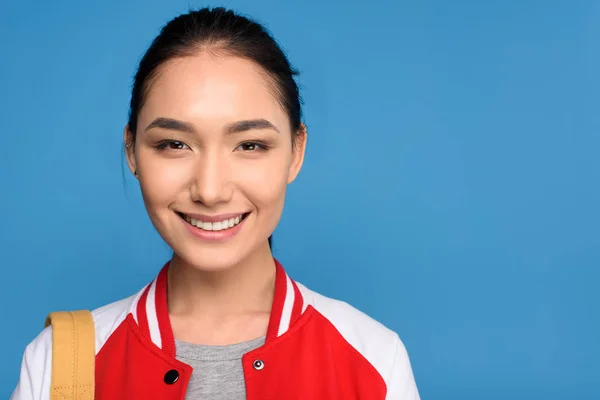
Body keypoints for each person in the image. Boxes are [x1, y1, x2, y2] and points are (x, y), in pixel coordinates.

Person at [11, 7, 420, 399]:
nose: (210, 190)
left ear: (296, 152)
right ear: (132, 151)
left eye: (250, 144)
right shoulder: (57, 363)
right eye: (174, 144)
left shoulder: (375, 359)